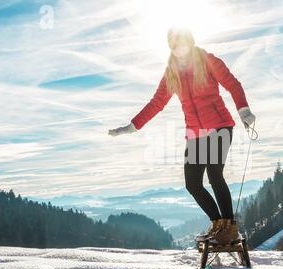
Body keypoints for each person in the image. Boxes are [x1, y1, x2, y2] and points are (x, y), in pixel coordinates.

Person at [108, 26, 256, 244]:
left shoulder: (207, 60)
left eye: (183, 43)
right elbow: (157, 103)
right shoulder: (171, 73)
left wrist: (244, 110)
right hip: (195, 134)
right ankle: (218, 224)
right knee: (192, 183)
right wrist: (132, 126)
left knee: (215, 174)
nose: (180, 49)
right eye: (175, 45)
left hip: (219, 126)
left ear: (191, 42)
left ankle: (230, 228)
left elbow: (232, 84)